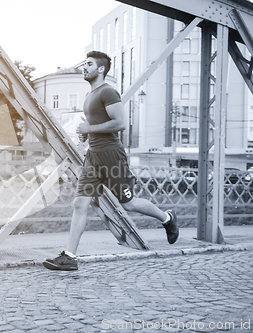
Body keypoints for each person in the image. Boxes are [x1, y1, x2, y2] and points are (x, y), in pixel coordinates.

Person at [42, 51, 179, 271]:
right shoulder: (89, 95)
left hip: (112, 157)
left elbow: (120, 123)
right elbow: (99, 125)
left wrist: (90, 128)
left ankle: (167, 218)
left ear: (101, 69)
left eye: (88, 64)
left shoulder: (108, 92)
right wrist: (87, 134)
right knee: (79, 203)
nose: (83, 68)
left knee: (129, 203)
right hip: (93, 157)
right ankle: (69, 257)